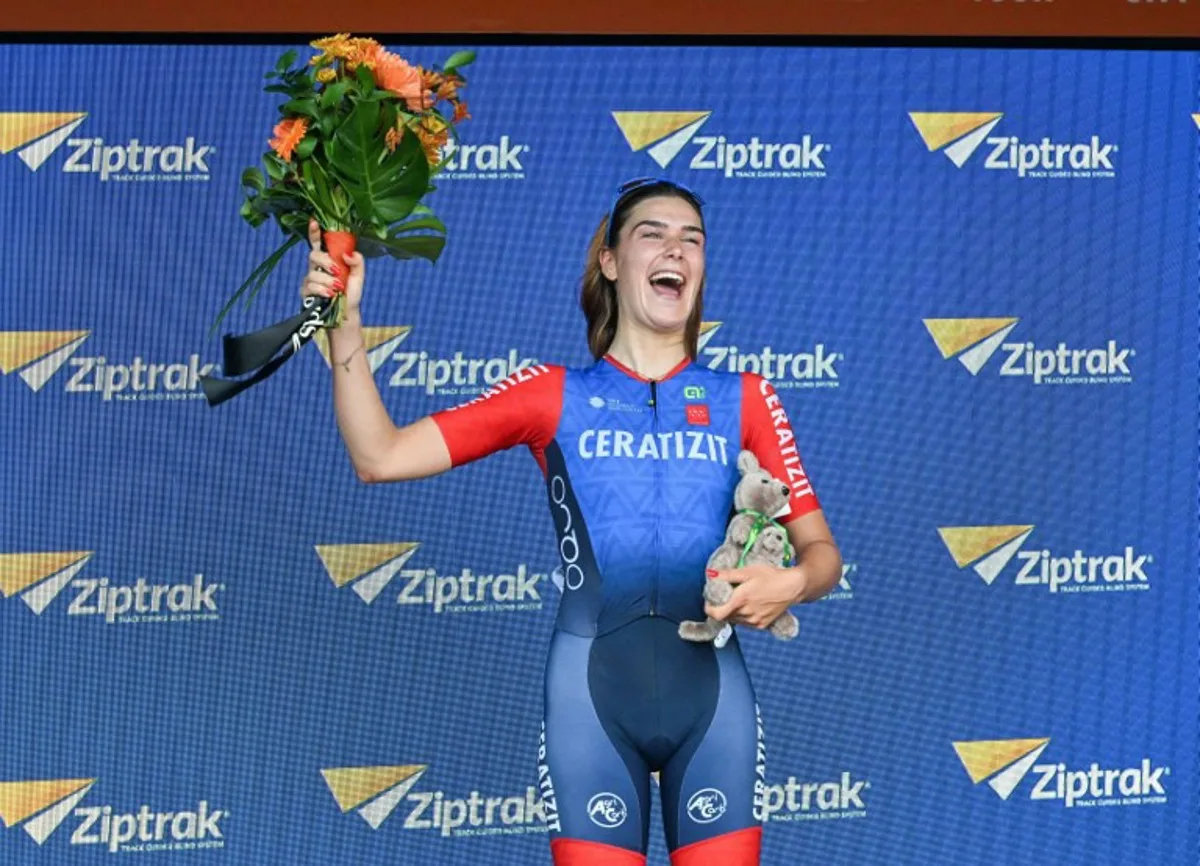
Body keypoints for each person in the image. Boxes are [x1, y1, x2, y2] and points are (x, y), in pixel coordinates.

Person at [301, 178, 843, 866]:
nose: (676, 246)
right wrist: (344, 324)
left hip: (713, 704)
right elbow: (379, 455)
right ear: (611, 260)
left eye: (693, 238)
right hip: (591, 698)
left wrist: (791, 585)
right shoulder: (552, 395)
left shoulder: (747, 398)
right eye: (653, 232)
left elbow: (823, 555)